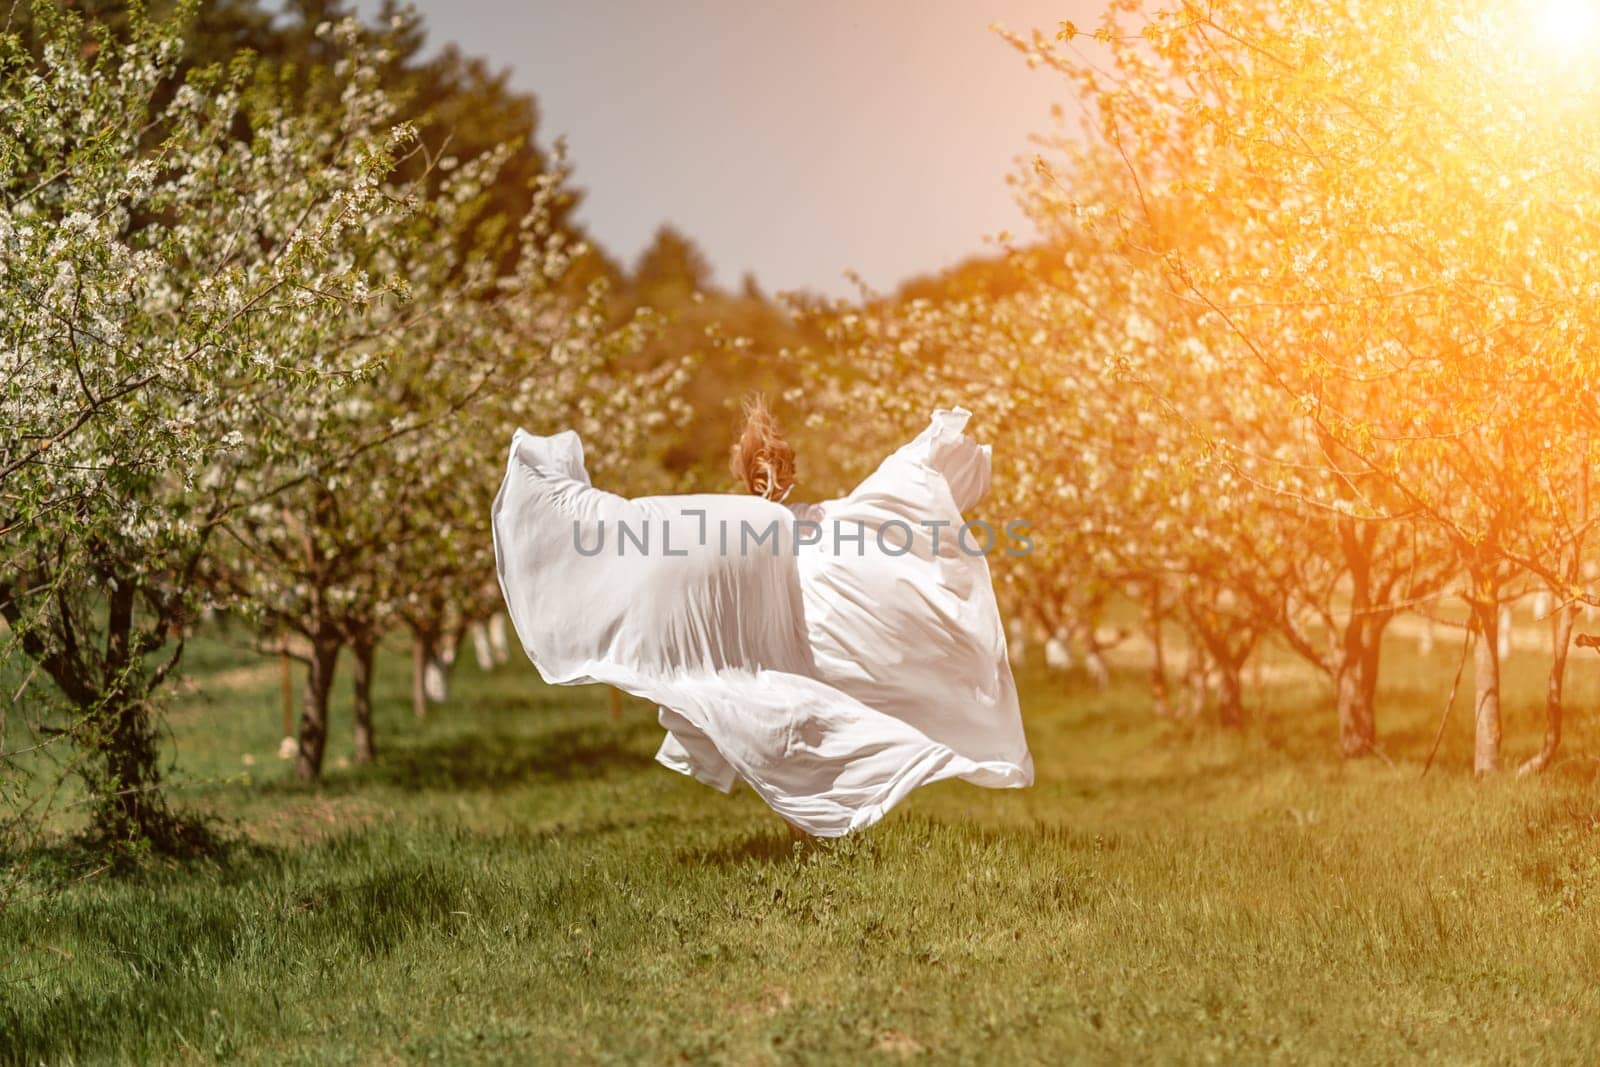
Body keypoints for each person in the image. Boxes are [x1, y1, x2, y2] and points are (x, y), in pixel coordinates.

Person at [491, 398, 1032, 838]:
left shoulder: (773, 522)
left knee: (796, 720)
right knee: (795, 720)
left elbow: (656, 531)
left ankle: (816, 826)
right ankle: (816, 827)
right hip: (786, 630)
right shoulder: (765, 522)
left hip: (797, 629)